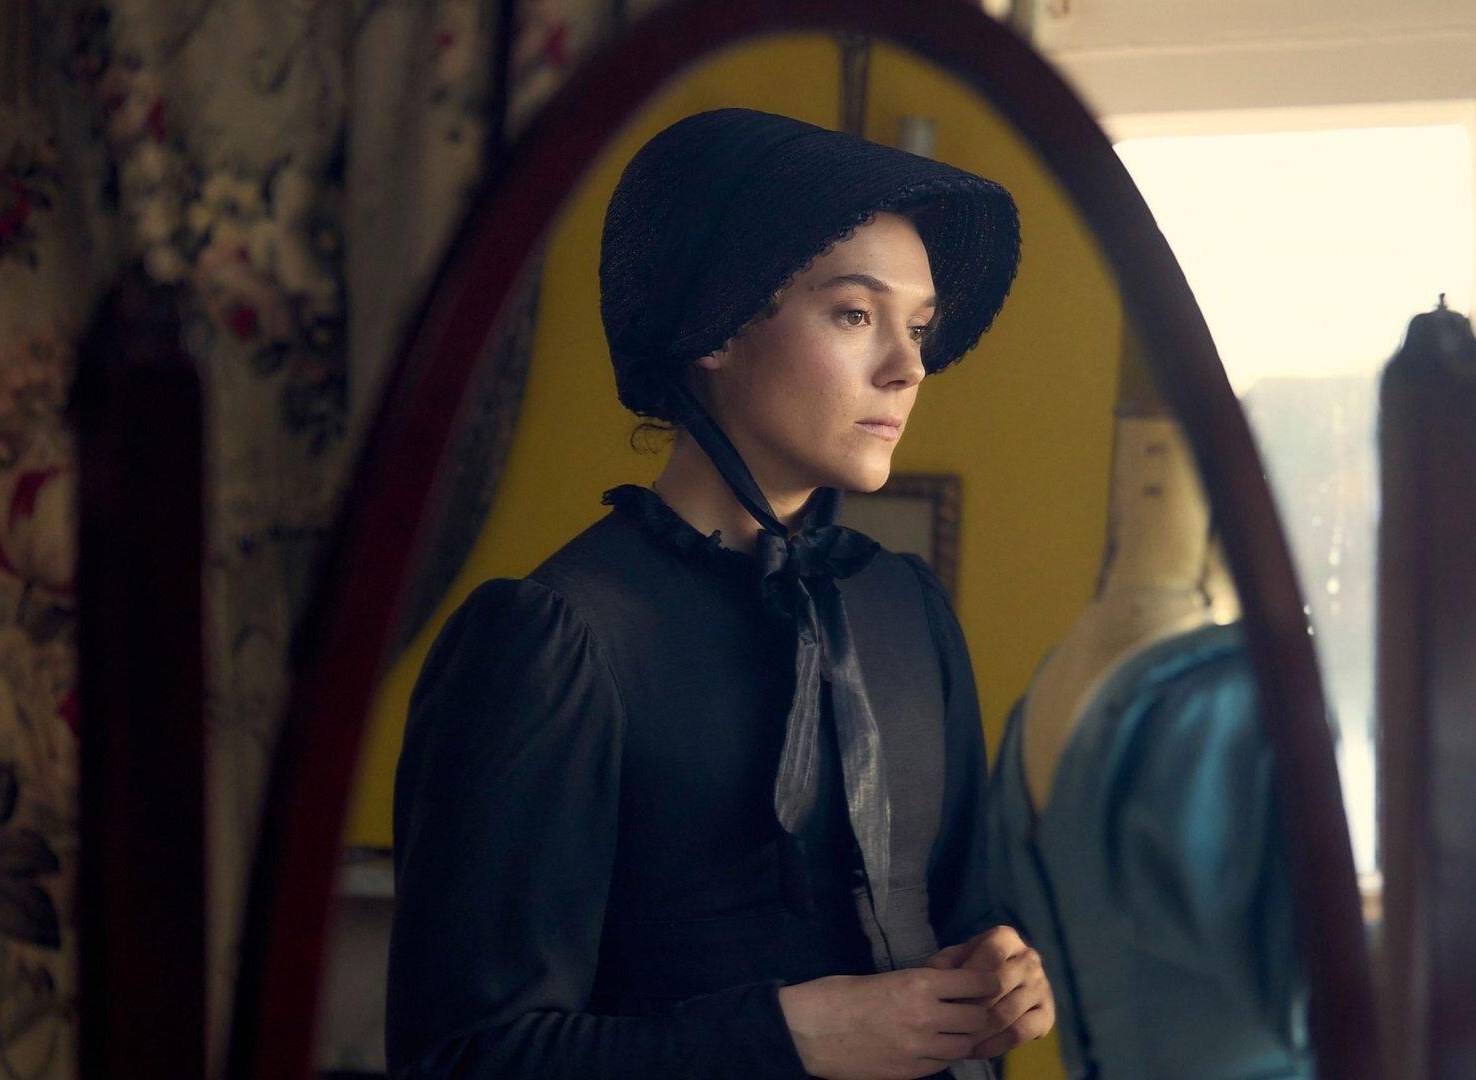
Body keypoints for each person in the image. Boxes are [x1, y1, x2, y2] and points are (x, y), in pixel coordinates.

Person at [385, 107, 1052, 1079]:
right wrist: (790, 1037)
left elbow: (963, 911)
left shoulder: (906, 608)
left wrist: (999, 972)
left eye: (918, 328)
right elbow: (464, 1058)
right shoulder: (552, 639)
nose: (909, 368)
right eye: (855, 315)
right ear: (715, 326)